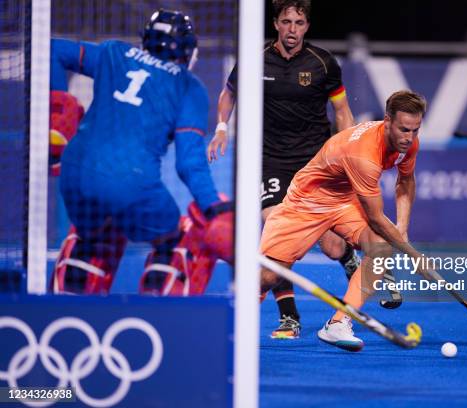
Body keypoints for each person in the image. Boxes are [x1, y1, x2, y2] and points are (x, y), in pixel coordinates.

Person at [49, 9, 233, 295]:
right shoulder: (188, 86)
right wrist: (215, 209)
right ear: (188, 51)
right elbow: (188, 164)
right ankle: (161, 318)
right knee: (180, 236)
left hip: (74, 175)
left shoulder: (114, 52)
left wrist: (56, 112)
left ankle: (65, 310)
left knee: (96, 232)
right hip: (131, 185)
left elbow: (50, 51)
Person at [207, 0, 360, 339]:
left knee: (332, 245)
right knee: (278, 230)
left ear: (307, 25)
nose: (293, 29)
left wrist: (347, 151)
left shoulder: (323, 63)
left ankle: (348, 258)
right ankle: (289, 317)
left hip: (316, 163)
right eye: (286, 21)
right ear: (276, 24)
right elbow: (228, 93)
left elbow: (343, 112)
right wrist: (221, 128)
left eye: (299, 22)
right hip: (271, 161)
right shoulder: (254, 59)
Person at [259, 90, 425, 351]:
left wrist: (402, 231)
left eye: (415, 130)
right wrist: (413, 255)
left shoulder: (409, 142)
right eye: (404, 129)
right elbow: (376, 217)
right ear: (387, 121)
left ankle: (338, 323)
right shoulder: (364, 156)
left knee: (380, 248)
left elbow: (405, 182)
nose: (410, 137)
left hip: (344, 199)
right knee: (268, 277)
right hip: (307, 201)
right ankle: (234, 321)